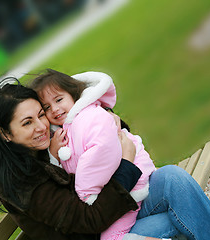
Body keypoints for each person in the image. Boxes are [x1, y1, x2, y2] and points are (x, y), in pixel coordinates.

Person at [0, 78, 210, 240]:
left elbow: (84, 132)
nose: (41, 126)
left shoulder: (38, 144)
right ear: (5, 133)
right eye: (27, 122)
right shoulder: (19, 182)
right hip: (100, 232)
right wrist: (125, 164)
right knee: (197, 213)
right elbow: (88, 220)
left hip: (115, 211)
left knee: (173, 178)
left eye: (40, 114)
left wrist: (110, 120)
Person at [29, 69, 156, 240]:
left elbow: (98, 153)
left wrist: (87, 195)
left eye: (59, 100)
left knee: (112, 238)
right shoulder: (61, 133)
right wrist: (54, 153)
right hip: (117, 195)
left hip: (129, 187)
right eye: (47, 108)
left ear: (73, 96)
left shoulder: (86, 119)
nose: (55, 109)